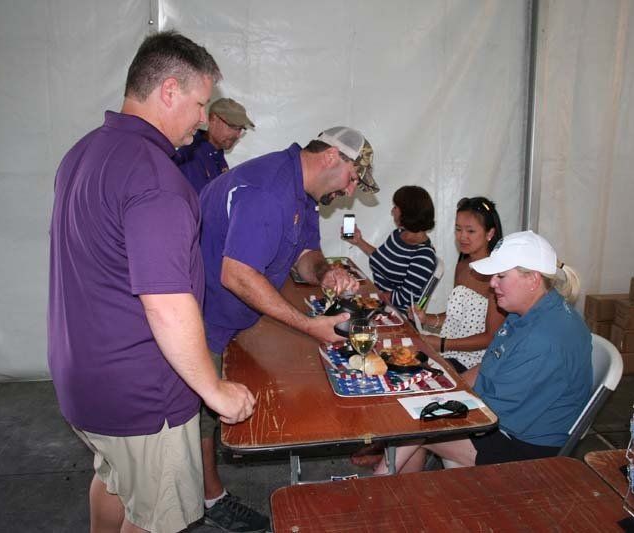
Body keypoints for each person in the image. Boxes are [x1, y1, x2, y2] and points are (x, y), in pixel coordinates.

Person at [48, 31, 256, 533]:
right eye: (200, 104)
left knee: (115, 479)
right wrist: (215, 390)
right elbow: (165, 302)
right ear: (168, 90)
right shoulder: (156, 178)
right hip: (143, 395)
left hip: (83, 382)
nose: (204, 120)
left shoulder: (82, 153)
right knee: (159, 516)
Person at [197, 126, 379, 528]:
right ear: (332, 157)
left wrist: (325, 273)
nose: (350, 191)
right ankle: (209, 499)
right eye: (353, 179)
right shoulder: (269, 190)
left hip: (231, 318)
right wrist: (309, 326)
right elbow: (238, 275)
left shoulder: (304, 194)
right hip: (201, 317)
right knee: (201, 416)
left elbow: (305, 255)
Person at [374, 230, 593, 474]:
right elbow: (490, 363)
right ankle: (396, 490)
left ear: (532, 279)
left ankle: (376, 490)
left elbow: (490, 414)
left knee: (415, 422)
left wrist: (436, 401)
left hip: (524, 448)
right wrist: (445, 388)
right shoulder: (531, 311)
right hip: (507, 421)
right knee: (419, 403)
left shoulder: (542, 339)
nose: (492, 283)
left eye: (501, 276)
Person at [408, 197, 506, 384]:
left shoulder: (498, 275)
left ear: (490, 233)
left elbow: (491, 337)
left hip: (477, 363)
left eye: (470, 231)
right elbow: (457, 316)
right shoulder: (463, 266)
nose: (462, 237)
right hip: (451, 353)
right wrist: (426, 318)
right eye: (458, 229)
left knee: (420, 380)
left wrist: (443, 344)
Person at [346, 185, 437, 312]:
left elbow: (404, 299)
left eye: (395, 207)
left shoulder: (424, 256)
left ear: (407, 212)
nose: (392, 211)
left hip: (395, 313)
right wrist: (358, 241)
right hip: (380, 302)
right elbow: (382, 259)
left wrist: (368, 297)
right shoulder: (398, 234)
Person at [177, 97, 254, 193]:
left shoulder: (217, 155)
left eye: (240, 129)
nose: (237, 135)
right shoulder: (190, 157)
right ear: (213, 119)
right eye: (233, 126)